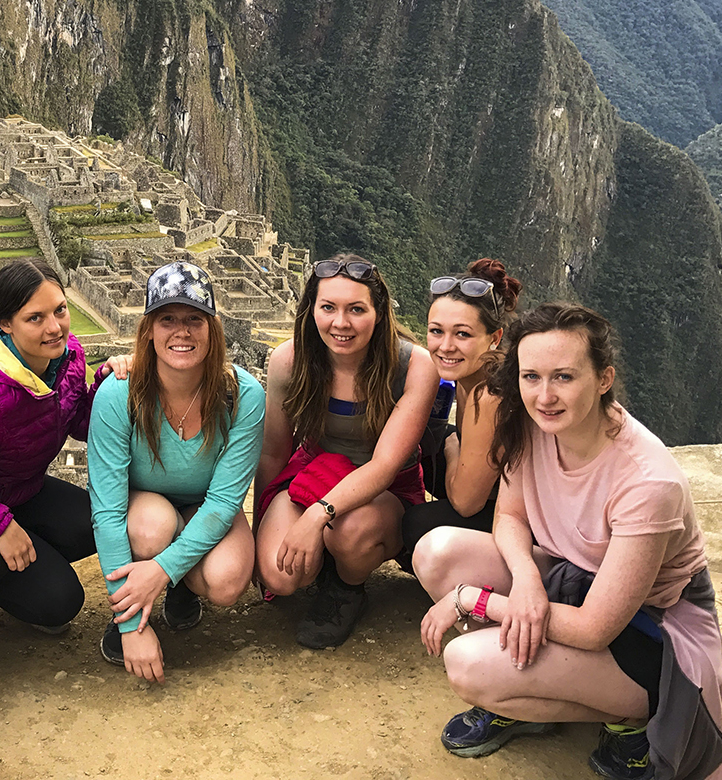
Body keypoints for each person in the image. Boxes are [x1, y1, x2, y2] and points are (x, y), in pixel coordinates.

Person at [417, 302, 722, 779]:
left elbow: (593, 629)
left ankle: (630, 722)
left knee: (466, 666)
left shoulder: (647, 483)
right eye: (531, 377)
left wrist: (472, 601)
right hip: (572, 581)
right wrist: (523, 582)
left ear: (603, 379)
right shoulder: (531, 427)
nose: (544, 396)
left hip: (651, 633)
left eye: (564, 377)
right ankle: (534, 686)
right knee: (436, 552)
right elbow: (510, 518)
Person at [0, 259, 129, 639]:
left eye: (60, 310)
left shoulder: (68, 357)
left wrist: (107, 386)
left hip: (26, 488)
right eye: (35, 318)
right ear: (6, 323)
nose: (55, 327)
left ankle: (20, 573)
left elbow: (78, 422)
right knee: (60, 604)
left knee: (100, 524)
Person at [88, 262, 265, 683]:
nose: (181, 332)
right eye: (168, 318)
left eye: (194, 319)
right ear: (149, 328)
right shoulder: (118, 394)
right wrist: (130, 626)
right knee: (151, 529)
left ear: (213, 329)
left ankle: (179, 585)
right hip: (146, 508)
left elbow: (224, 501)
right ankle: (131, 611)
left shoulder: (243, 396)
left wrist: (164, 570)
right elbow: (108, 511)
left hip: (205, 504)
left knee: (226, 581)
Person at [255, 254, 438, 648]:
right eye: (328, 308)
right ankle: (320, 562)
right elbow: (273, 453)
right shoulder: (289, 361)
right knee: (279, 574)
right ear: (311, 310)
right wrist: (261, 530)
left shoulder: (413, 366)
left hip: (384, 491)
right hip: (314, 473)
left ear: (379, 312)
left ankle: (345, 587)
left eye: (356, 309)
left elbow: (385, 465)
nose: (341, 323)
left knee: (350, 534)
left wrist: (314, 518)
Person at [400, 259, 522, 567]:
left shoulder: (492, 392)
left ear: (494, 338)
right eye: (436, 331)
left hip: (528, 521)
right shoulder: (468, 379)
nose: (446, 346)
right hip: (500, 493)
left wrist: (454, 450)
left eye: (463, 334)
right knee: (427, 447)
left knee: (413, 526)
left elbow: (468, 504)